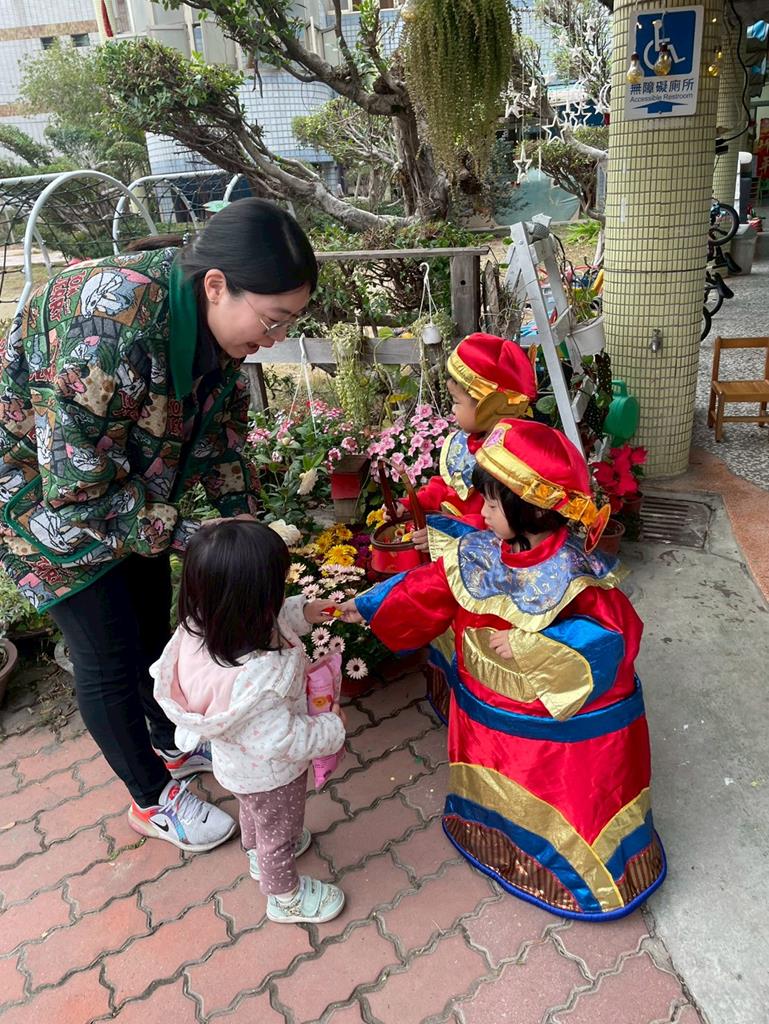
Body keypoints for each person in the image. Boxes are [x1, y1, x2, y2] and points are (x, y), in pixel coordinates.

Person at [0, 199, 317, 852]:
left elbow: (221, 442)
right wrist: (202, 539)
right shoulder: (105, 331)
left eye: (290, 322)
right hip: (41, 496)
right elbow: (78, 493)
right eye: (273, 319)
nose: (275, 338)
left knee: (150, 622)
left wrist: (246, 533)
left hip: (127, 487)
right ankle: (151, 797)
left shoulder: (215, 327)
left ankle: (171, 740)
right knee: (107, 651)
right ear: (216, 285)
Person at [343, 418, 666, 919]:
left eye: (493, 503)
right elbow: (430, 589)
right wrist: (365, 606)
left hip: (551, 733)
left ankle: (580, 881)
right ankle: (490, 835)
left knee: (558, 800)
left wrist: (533, 646)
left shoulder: (577, 574)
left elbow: (615, 639)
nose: (484, 512)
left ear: (533, 508)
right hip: (486, 717)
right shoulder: (480, 553)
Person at [151, 520, 347, 924]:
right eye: (277, 589)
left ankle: (258, 852)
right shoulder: (260, 681)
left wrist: (304, 611)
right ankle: (285, 897)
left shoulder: (207, 625)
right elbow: (283, 739)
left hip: (239, 768)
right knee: (280, 832)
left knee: (258, 816)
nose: (280, 595)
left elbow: (274, 619)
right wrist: (332, 728)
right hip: (271, 774)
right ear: (252, 600)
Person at [391, 333, 537, 721]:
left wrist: (444, 535)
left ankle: (482, 710)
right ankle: (450, 698)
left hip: (493, 569)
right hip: (454, 556)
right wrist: (415, 502)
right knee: (447, 628)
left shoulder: (514, 455)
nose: (451, 410)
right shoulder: (462, 443)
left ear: (489, 403)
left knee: (477, 636)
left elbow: (502, 524)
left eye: (457, 402)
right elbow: (447, 486)